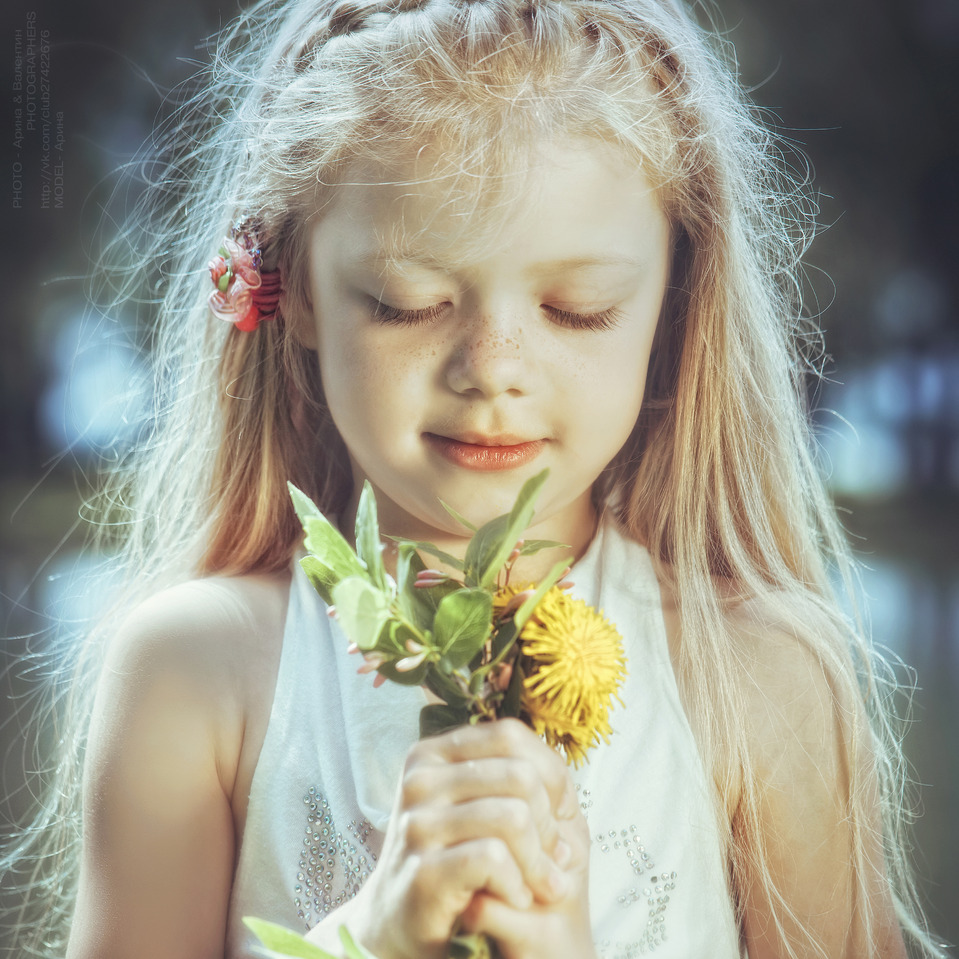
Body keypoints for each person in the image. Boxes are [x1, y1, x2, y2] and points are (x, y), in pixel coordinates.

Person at [3, 1, 948, 957]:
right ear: (292, 289)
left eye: (576, 310)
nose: (491, 367)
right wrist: (370, 938)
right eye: (406, 303)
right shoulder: (197, 674)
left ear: (672, 302)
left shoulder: (758, 680)